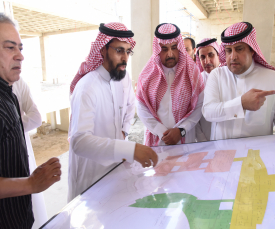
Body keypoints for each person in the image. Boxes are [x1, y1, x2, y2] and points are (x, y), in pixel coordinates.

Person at [68, 22, 158, 202]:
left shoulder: (122, 77)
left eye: (127, 51)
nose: (125, 57)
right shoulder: (87, 87)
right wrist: (129, 149)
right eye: (119, 51)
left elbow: (130, 104)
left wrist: (123, 132)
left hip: (115, 166)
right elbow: (79, 142)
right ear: (102, 50)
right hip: (91, 174)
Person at [0, 14, 61, 229]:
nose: (20, 56)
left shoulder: (9, 94)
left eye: (20, 47)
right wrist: (31, 183)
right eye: (10, 47)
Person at [202, 22, 275, 154]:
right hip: (221, 158)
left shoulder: (274, 78)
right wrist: (241, 104)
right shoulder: (217, 76)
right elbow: (208, 111)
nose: (233, 56)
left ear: (252, 49)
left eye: (239, 49)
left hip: (258, 159)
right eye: (229, 50)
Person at [136, 23, 204, 147]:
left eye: (174, 47)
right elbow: (141, 107)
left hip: (184, 140)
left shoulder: (192, 73)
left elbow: (199, 107)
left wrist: (181, 130)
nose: (170, 54)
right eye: (164, 49)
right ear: (157, 49)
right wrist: (161, 132)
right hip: (157, 141)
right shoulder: (147, 74)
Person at [13, 77, 48, 229]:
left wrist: (11, 127)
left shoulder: (18, 82)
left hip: (20, 150)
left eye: (20, 50)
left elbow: (36, 118)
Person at [195, 38, 220, 141]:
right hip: (205, 138)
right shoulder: (196, 81)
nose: (207, 61)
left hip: (227, 138)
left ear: (218, 55)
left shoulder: (229, 77)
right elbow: (194, 116)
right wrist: (202, 140)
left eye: (211, 55)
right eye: (202, 57)